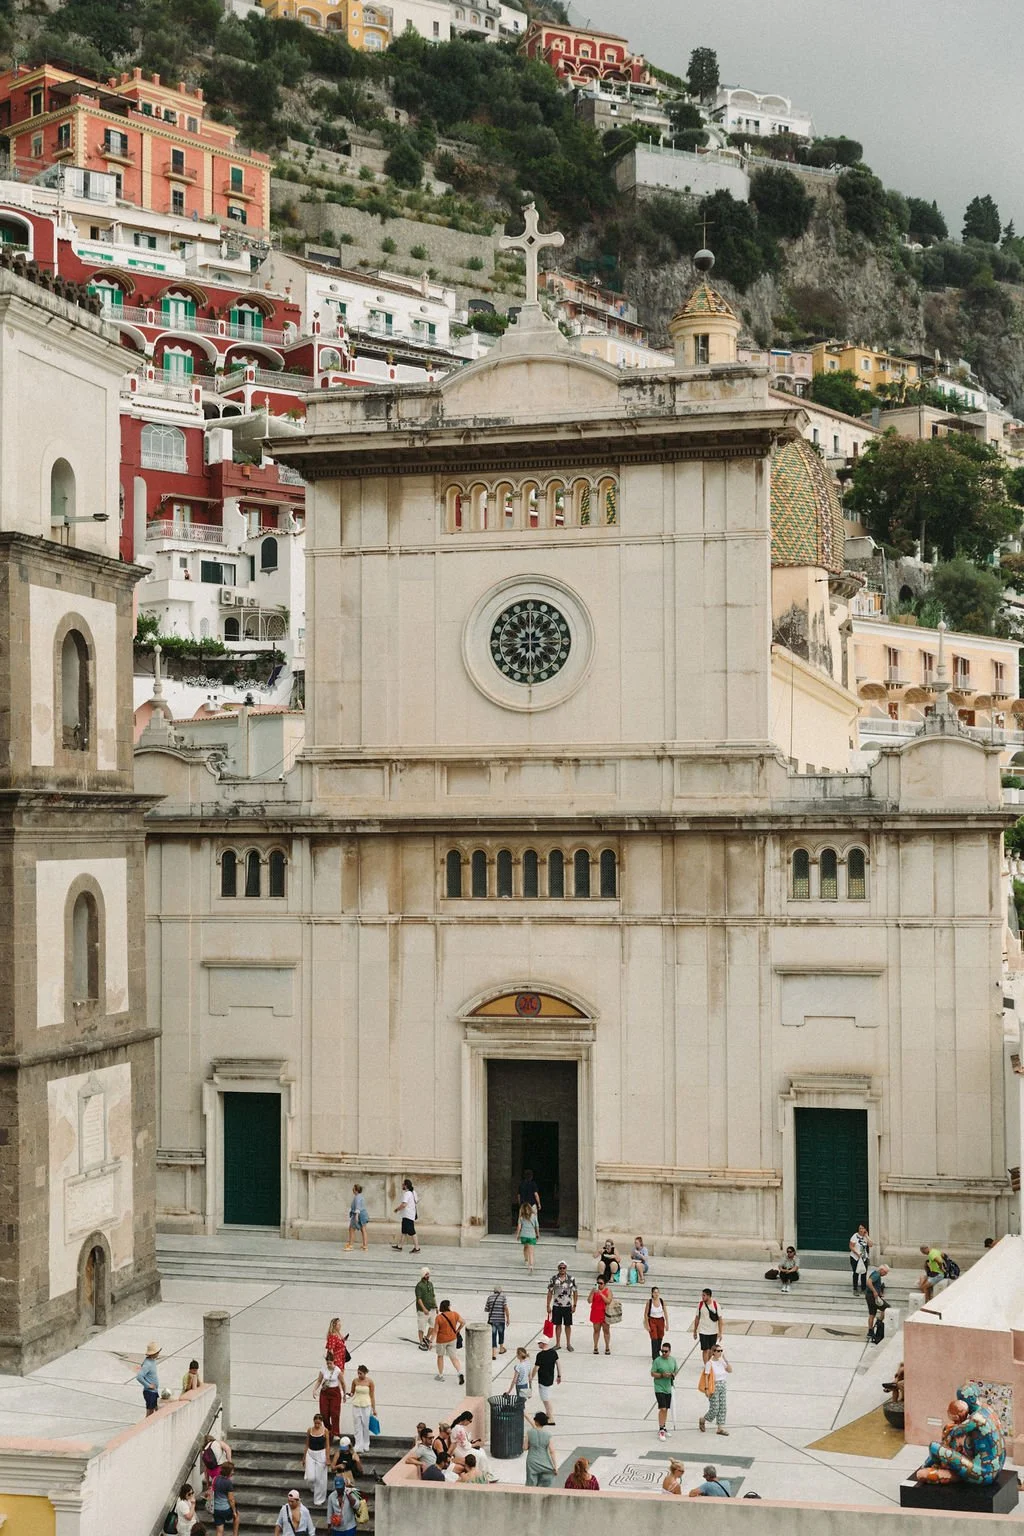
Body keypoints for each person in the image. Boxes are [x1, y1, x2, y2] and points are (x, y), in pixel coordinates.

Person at [699, 1343, 732, 1436]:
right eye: (718, 1351)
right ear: (713, 1352)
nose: (720, 1352)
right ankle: (703, 1419)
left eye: (721, 1351)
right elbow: (706, 1376)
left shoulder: (722, 1361)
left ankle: (720, 1428)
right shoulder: (709, 1363)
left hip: (723, 1385)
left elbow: (730, 1370)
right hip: (714, 1386)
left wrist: (726, 1360)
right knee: (715, 1408)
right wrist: (706, 1389)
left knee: (723, 1407)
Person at [546, 1262, 578, 1351]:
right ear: (558, 1268)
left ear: (566, 1268)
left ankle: (568, 1344)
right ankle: (558, 1343)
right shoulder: (553, 1279)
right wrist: (548, 1305)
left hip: (567, 1305)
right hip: (557, 1305)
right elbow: (549, 1292)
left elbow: (575, 1292)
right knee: (558, 1325)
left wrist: (575, 1305)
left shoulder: (571, 1279)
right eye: (560, 1268)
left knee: (568, 1325)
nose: (562, 1269)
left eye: (564, 1268)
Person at [651, 1339, 679, 1441]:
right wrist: (662, 1375)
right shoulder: (657, 1361)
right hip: (659, 1387)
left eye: (665, 1351)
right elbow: (652, 1373)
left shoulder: (673, 1360)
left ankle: (663, 1426)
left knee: (666, 1408)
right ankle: (661, 1429)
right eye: (662, 1351)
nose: (663, 1353)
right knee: (662, 1408)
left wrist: (672, 1375)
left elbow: (676, 1370)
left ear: (670, 1351)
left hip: (668, 1387)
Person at [302, 1412, 330, 1507]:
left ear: (321, 1422)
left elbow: (327, 1445)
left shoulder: (325, 1431)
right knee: (310, 1477)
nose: (317, 1425)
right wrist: (304, 1457)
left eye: (319, 1423)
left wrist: (327, 1458)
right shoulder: (310, 1430)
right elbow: (307, 1444)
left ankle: (319, 1499)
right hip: (310, 1453)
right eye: (315, 1423)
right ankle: (313, 1487)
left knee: (320, 1478)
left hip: (321, 1454)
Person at [433, 1300, 464, 1384]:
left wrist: (430, 1341)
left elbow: (435, 1330)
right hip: (452, 1338)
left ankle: (440, 1375)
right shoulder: (454, 1314)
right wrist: (457, 1330)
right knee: (453, 1357)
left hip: (441, 1340)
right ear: (448, 1306)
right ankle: (459, 1372)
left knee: (440, 1356)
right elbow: (463, 1322)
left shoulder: (439, 1317)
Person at [314, 1350, 344, 1438]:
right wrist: (314, 1390)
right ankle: (329, 1430)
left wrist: (343, 1393)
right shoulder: (323, 1369)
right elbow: (319, 1380)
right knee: (324, 1413)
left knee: (334, 1413)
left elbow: (343, 1382)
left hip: (334, 1392)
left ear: (333, 1362)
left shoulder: (337, 1370)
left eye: (330, 1363)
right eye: (327, 1363)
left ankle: (336, 1433)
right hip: (325, 1392)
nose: (329, 1365)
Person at [530, 1337, 561, 1423]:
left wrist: (531, 1378)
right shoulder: (553, 1352)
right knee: (546, 1397)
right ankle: (548, 1415)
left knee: (546, 1400)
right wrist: (559, 1375)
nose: (538, 1344)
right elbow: (558, 1364)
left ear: (543, 1344)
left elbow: (536, 1368)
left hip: (543, 1380)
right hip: (550, 1378)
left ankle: (551, 1418)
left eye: (539, 1343)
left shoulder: (540, 1355)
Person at [523, 1410, 557, 1488]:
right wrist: (555, 1466)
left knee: (531, 1483)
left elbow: (525, 1448)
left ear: (536, 1421)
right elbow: (552, 1451)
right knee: (546, 1481)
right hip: (545, 1461)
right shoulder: (548, 1435)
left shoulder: (529, 1432)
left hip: (532, 1461)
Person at [349, 1363, 376, 1454]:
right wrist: (347, 1395)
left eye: (361, 1373)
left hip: (366, 1405)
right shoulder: (355, 1381)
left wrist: (374, 1408)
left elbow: (372, 1396)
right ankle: (358, 1444)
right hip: (356, 1404)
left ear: (365, 1373)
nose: (359, 1375)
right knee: (357, 1425)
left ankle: (366, 1443)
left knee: (365, 1424)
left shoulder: (370, 1382)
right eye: (358, 1373)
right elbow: (352, 1392)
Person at [692, 1288, 723, 1363]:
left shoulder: (716, 1305)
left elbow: (720, 1319)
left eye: (704, 1295)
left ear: (709, 1296)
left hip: (713, 1331)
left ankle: (709, 1363)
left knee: (711, 1350)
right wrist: (695, 1331)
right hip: (703, 1331)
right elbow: (697, 1318)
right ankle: (706, 1365)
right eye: (702, 1295)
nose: (702, 1297)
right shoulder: (700, 1305)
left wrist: (720, 1332)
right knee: (705, 1349)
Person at [392, 1177, 420, 1252]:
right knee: (404, 1231)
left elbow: (404, 1205)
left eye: (403, 1185)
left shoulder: (407, 1194)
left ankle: (417, 1248)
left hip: (408, 1215)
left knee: (412, 1231)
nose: (402, 1186)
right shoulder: (413, 1192)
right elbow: (417, 1201)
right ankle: (400, 1246)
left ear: (406, 1186)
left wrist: (397, 1209)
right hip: (408, 1215)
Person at [212, 1460, 238, 1536]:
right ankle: (235, 1534)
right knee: (237, 1515)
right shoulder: (228, 1482)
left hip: (216, 1509)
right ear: (228, 1472)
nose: (233, 1472)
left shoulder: (215, 1479)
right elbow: (231, 1499)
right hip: (225, 1509)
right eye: (232, 1470)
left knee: (219, 1531)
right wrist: (234, 1511)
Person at [866, 1263, 890, 1344]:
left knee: (872, 1313)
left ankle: (870, 1331)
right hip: (872, 1297)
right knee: (887, 1307)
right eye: (885, 1272)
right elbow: (869, 1282)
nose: (885, 1274)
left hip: (869, 1296)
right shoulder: (876, 1275)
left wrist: (878, 1292)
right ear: (882, 1270)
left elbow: (875, 1284)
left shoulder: (874, 1273)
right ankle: (879, 1321)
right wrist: (875, 1291)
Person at [136, 1341, 162, 1416]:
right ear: (153, 1353)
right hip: (150, 1392)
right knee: (150, 1414)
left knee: (155, 1410)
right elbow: (139, 1377)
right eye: (157, 1352)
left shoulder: (152, 1361)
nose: (158, 1353)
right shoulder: (147, 1364)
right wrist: (148, 1385)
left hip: (154, 1391)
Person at [484, 1282, 509, 1359]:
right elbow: (506, 1308)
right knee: (501, 1334)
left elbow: (486, 1309)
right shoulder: (503, 1297)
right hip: (500, 1319)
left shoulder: (489, 1297)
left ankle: (494, 1354)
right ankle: (501, 1349)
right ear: (500, 1291)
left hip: (492, 1320)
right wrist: (508, 1318)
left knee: (493, 1335)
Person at [643, 1286, 669, 1359]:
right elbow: (645, 1314)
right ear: (652, 1293)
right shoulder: (649, 1302)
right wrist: (647, 1325)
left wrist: (667, 1324)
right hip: (652, 1320)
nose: (656, 1294)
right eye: (655, 1292)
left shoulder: (661, 1301)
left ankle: (658, 1351)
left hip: (660, 1320)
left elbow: (665, 1312)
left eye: (657, 1292)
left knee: (660, 1336)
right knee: (654, 1337)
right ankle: (654, 1355)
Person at [588, 1276, 612, 1355]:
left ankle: (607, 1347)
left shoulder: (608, 1291)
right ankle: (595, 1347)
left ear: (605, 1284)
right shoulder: (594, 1291)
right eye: (598, 1283)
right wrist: (592, 1293)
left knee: (606, 1331)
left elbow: (608, 1301)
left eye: (601, 1283)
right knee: (596, 1330)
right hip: (596, 1312)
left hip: (604, 1313)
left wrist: (601, 1294)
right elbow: (589, 1301)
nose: (599, 1285)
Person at [415, 1267, 436, 1351]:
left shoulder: (430, 1284)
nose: (428, 1275)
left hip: (432, 1308)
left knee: (433, 1325)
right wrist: (423, 1309)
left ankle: (426, 1338)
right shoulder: (419, 1286)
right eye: (426, 1274)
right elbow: (419, 1299)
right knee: (421, 1327)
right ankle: (421, 1342)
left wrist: (436, 1306)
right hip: (423, 1310)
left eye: (428, 1274)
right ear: (423, 1275)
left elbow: (433, 1295)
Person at [516, 1202, 539, 1269]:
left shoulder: (521, 1217)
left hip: (524, 1235)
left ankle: (526, 1260)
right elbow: (537, 1225)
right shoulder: (534, 1216)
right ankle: (531, 1265)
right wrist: (538, 1233)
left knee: (525, 1247)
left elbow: (519, 1227)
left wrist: (517, 1235)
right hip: (532, 1236)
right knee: (531, 1251)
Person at [346, 1184, 369, 1252]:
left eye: (353, 1189)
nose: (352, 1190)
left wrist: (356, 1217)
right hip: (363, 1214)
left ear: (356, 1190)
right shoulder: (360, 1196)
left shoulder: (357, 1197)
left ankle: (351, 1245)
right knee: (363, 1229)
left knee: (351, 1229)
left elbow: (358, 1207)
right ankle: (365, 1246)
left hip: (358, 1214)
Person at [849, 1224, 871, 1294]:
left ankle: (863, 1288)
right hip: (855, 1257)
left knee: (864, 1273)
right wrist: (857, 1253)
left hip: (864, 1257)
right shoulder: (855, 1236)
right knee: (856, 1273)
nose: (861, 1230)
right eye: (860, 1228)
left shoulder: (865, 1237)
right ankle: (855, 1289)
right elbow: (851, 1246)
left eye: (863, 1228)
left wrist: (867, 1236)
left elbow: (871, 1245)